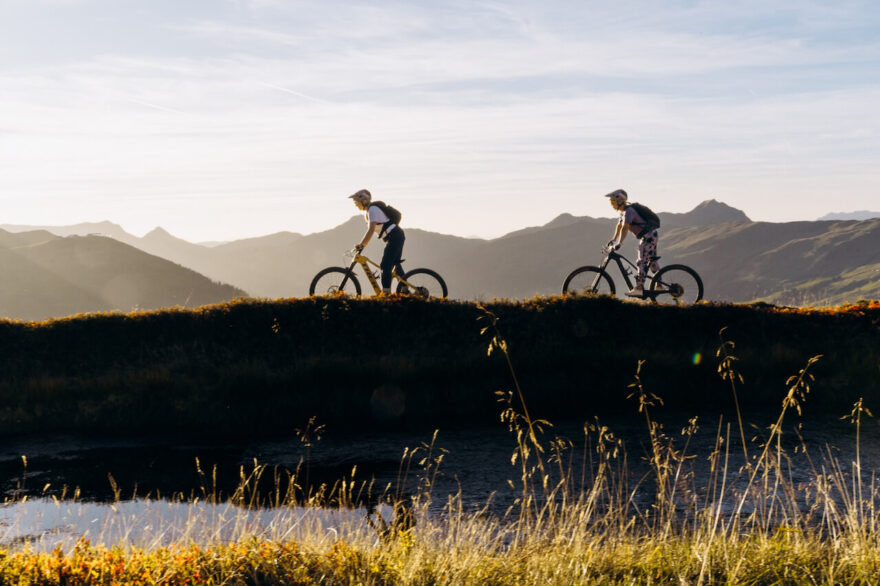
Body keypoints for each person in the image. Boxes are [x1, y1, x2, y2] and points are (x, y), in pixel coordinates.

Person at [605, 188, 659, 298]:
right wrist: (614, 239)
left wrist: (620, 243)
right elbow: (619, 226)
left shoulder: (629, 212)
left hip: (648, 237)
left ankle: (639, 288)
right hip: (651, 235)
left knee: (642, 261)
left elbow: (625, 227)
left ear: (619, 201)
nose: (612, 205)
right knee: (651, 260)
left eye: (612, 202)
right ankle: (659, 284)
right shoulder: (623, 213)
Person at [349, 189, 405, 295]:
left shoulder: (373, 210)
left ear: (363, 200)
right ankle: (405, 290)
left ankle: (386, 295)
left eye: (356, 202)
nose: (356, 205)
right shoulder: (370, 211)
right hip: (395, 236)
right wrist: (362, 245)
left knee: (385, 266)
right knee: (395, 264)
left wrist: (362, 245)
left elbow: (371, 230)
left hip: (394, 237)